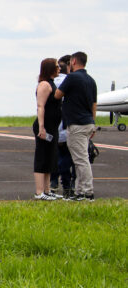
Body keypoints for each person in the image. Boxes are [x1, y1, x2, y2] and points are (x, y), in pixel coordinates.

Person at [54, 51, 97, 201]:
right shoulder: (91, 80)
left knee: (80, 159)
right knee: (81, 158)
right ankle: (80, 191)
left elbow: (57, 95)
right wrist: (93, 122)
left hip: (77, 124)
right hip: (87, 123)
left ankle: (87, 192)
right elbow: (93, 104)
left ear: (73, 62)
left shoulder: (72, 78)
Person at [33, 58, 62, 200]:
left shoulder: (52, 84)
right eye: (56, 66)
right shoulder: (45, 85)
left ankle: (47, 189)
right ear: (50, 68)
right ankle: (39, 192)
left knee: (50, 157)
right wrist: (41, 127)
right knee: (42, 157)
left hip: (52, 126)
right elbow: (41, 106)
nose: (59, 68)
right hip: (45, 126)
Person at [51, 55, 75, 196]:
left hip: (52, 125)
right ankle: (68, 185)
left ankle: (53, 182)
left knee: (54, 155)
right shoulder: (70, 81)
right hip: (67, 125)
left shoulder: (46, 83)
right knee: (69, 157)